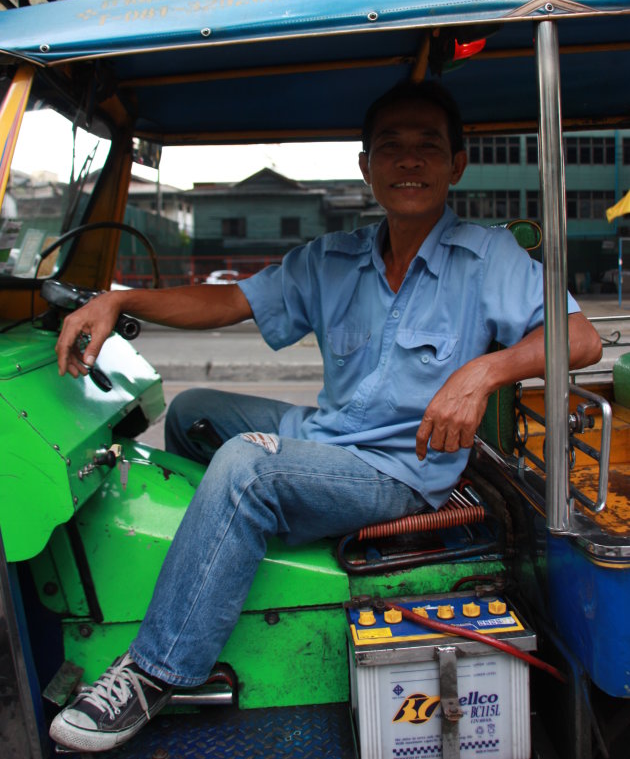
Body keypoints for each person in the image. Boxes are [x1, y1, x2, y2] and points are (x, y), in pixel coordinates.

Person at [49, 80, 602, 752]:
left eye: (427, 146)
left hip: (399, 470)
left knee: (246, 467)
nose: (408, 161)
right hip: (326, 438)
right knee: (196, 413)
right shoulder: (332, 259)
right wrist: (118, 300)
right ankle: (223, 546)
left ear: (456, 163)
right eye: (390, 148)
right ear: (365, 165)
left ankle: (158, 669)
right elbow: (225, 304)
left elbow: (581, 338)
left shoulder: (488, 258)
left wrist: (481, 370)